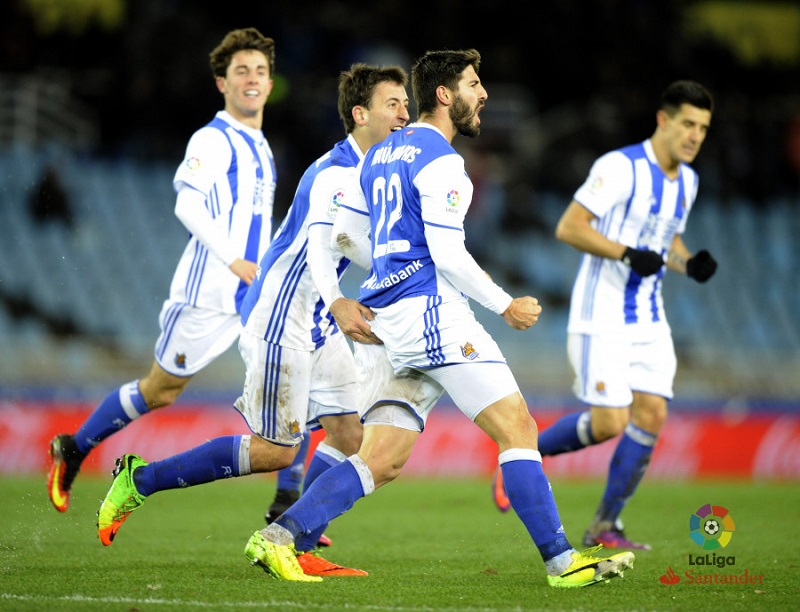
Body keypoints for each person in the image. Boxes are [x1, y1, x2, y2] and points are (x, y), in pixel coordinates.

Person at [245, 48, 635, 588]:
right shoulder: (444, 162)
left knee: (381, 459)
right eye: (475, 84)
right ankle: (563, 562)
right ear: (445, 95)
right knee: (518, 427)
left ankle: (280, 537)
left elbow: (345, 235)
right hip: (431, 315)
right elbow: (448, 256)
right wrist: (505, 304)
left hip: (387, 320)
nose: (485, 95)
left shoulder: (380, 156)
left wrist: (378, 272)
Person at [95, 63, 414, 580]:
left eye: (406, 103)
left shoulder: (372, 170)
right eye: (393, 104)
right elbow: (317, 249)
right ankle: (140, 480)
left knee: (351, 433)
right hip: (283, 317)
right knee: (275, 451)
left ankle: (294, 540)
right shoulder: (338, 174)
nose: (405, 113)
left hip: (317, 317)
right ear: (360, 114)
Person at [46, 27, 281, 514]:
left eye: (260, 70)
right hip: (209, 293)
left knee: (302, 378)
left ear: (271, 81)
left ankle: (290, 503)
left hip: (253, 295)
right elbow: (187, 205)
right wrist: (233, 258)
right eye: (241, 71)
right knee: (161, 390)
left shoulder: (261, 146)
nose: (252, 79)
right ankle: (75, 447)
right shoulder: (212, 139)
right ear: (222, 82)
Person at [492, 80, 718, 551]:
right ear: (664, 120)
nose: (695, 136)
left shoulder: (689, 181)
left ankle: (604, 526)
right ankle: (522, 456)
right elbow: (569, 226)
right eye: (688, 124)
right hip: (604, 314)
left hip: (650, 317)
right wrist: (625, 253)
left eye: (703, 127)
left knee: (652, 413)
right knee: (610, 423)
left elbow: (665, 237)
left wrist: (687, 262)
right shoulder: (620, 168)